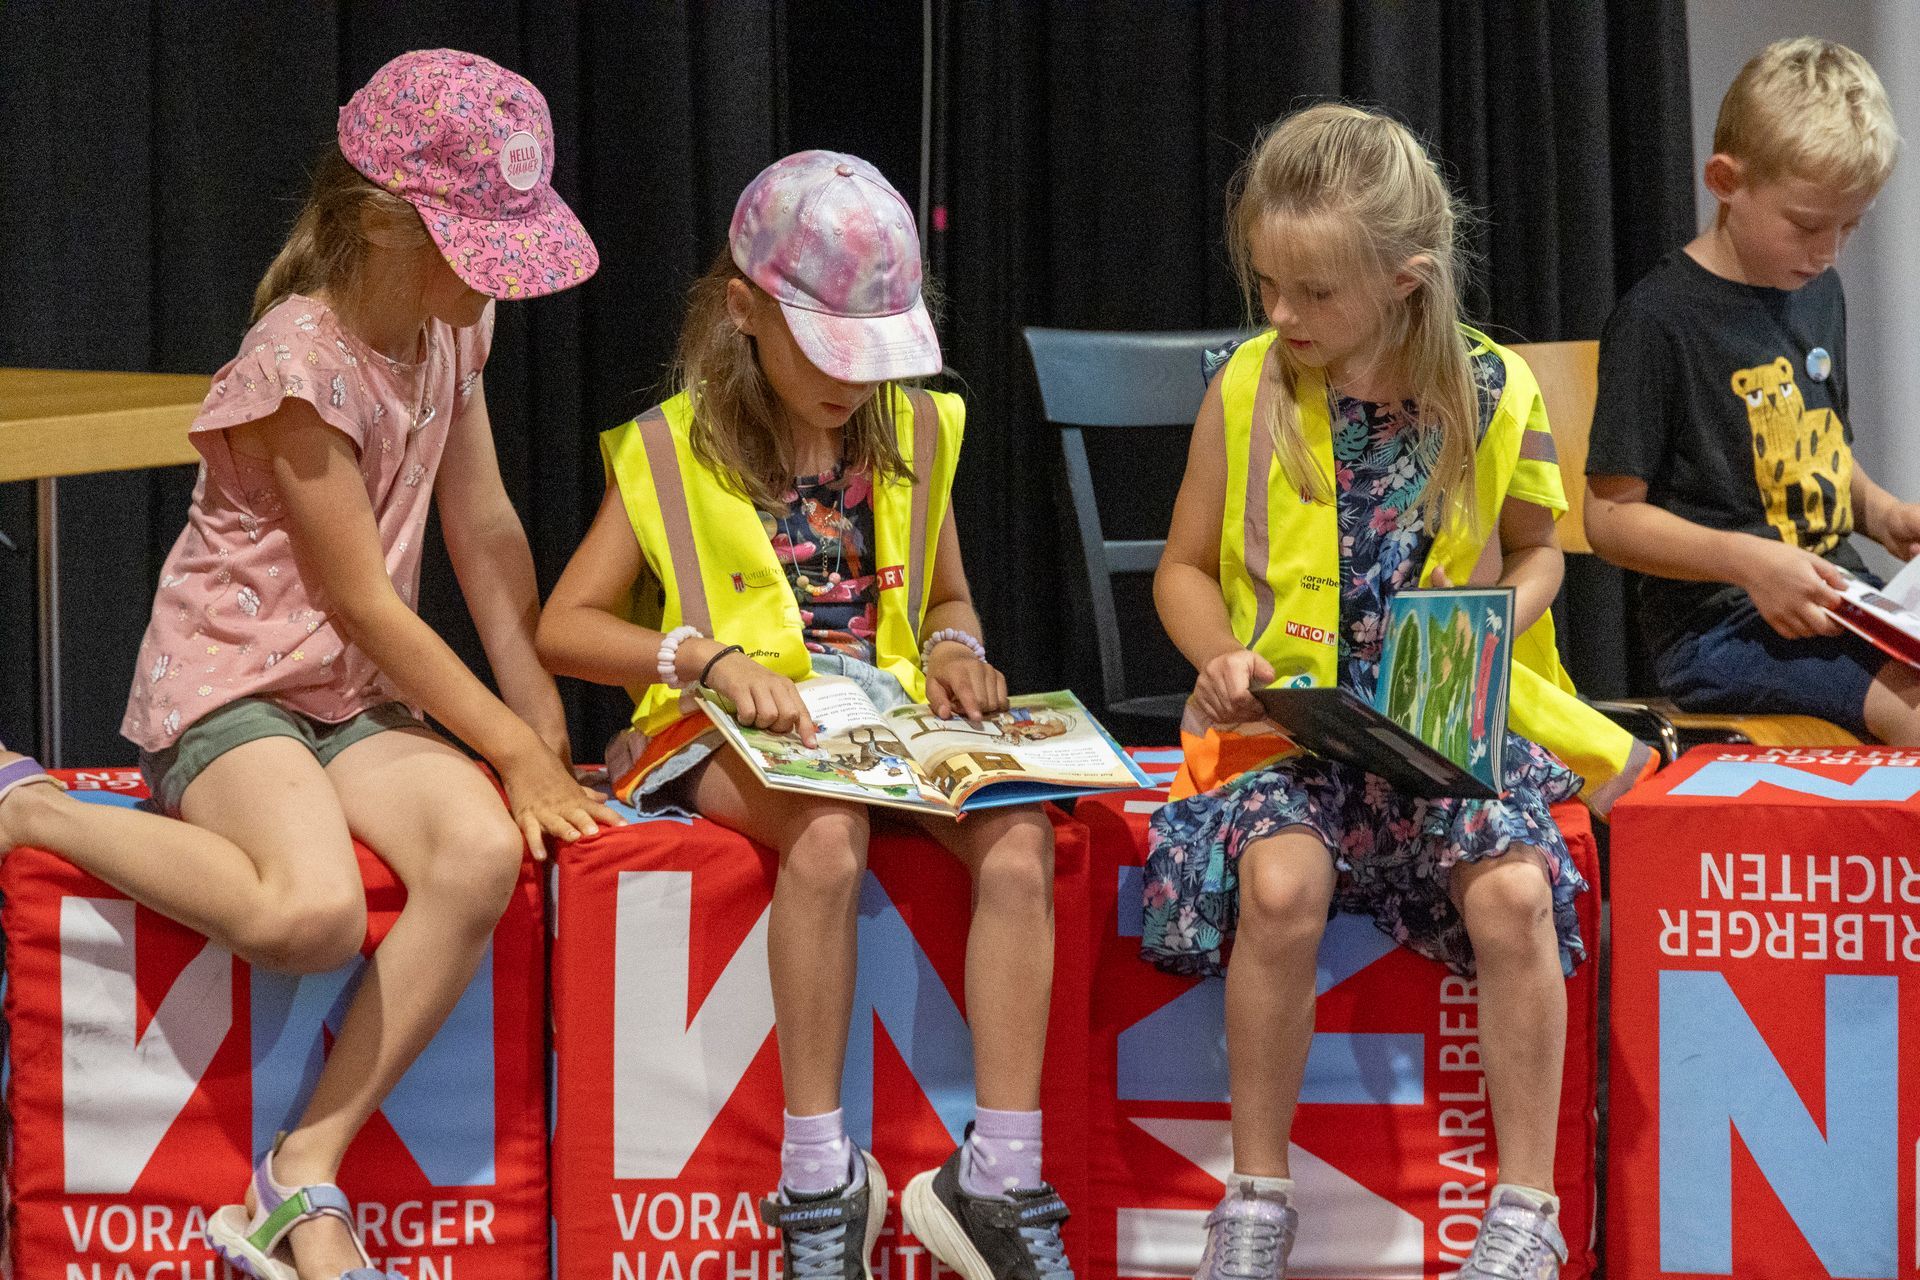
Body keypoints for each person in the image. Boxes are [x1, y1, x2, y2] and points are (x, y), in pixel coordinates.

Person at [2, 48, 621, 1280]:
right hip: (234, 688)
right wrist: (499, 737)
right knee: (312, 909)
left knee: (483, 850)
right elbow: (363, 599)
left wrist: (537, 704)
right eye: (475, 242)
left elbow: (485, 525)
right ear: (392, 225)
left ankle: (303, 1168)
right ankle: (32, 810)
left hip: (349, 698)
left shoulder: (458, 326)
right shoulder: (300, 361)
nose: (494, 274)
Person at [536, 150, 1074, 1280]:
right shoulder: (675, 448)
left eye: (873, 353)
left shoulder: (915, 431)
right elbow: (565, 624)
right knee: (827, 837)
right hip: (731, 729)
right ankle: (820, 1180)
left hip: (883, 726)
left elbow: (947, 593)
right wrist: (704, 656)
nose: (852, 382)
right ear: (744, 309)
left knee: (1021, 835)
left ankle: (1001, 1178)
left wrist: (955, 645)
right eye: (831, 351)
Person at [1144, 103, 1649, 1280]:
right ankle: (1255, 1198)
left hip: (1441, 724)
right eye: (1267, 281)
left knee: (1516, 894)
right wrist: (1221, 655)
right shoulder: (1245, 385)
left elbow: (1544, 550)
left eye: (1314, 292)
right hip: (1295, 731)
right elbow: (1180, 565)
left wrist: (1489, 618)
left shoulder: (1495, 385)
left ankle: (1526, 1213)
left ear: (1405, 281)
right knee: (1280, 883)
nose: (1282, 313)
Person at [1585, 38, 1917, 742]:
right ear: (1724, 180)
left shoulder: (1817, 290)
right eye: (1806, 224)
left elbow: (1813, 445)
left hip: (1842, 601)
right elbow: (1609, 520)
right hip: (1721, 627)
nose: (1828, 252)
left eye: (1850, 226)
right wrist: (1749, 561)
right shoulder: (1657, 319)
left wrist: (1883, 513)